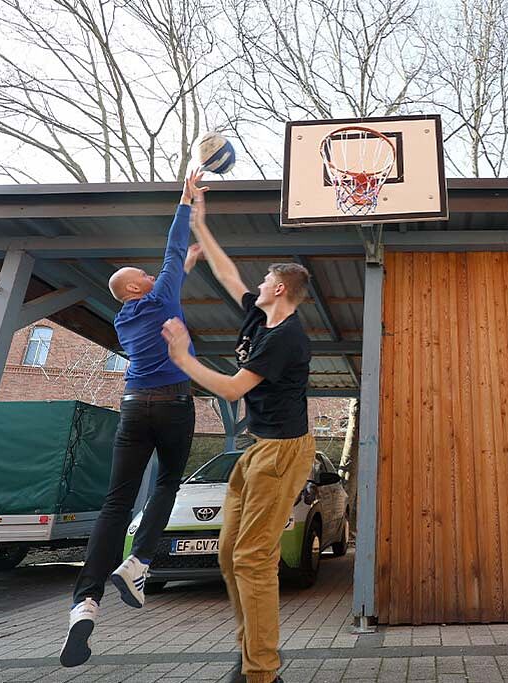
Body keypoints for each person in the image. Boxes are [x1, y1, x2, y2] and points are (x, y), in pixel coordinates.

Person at [161, 186, 313, 683]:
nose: (260, 282)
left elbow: (231, 390)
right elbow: (227, 274)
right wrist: (201, 221)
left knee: (252, 557)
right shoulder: (261, 313)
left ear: (281, 290)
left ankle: (262, 672)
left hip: (283, 451)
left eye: (268, 279)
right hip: (258, 448)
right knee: (230, 552)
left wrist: (184, 359)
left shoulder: (285, 336)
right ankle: (252, 654)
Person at [60, 171, 206, 668]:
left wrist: (183, 264)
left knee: (116, 501)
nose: (151, 272)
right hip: (172, 404)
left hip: (133, 405)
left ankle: (85, 604)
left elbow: (170, 269)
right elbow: (171, 248)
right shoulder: (160, 292)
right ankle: (139, 560)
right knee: (167, 482)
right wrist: (185, 200)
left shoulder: (125, 316)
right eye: (143, 273)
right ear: (138, 285)